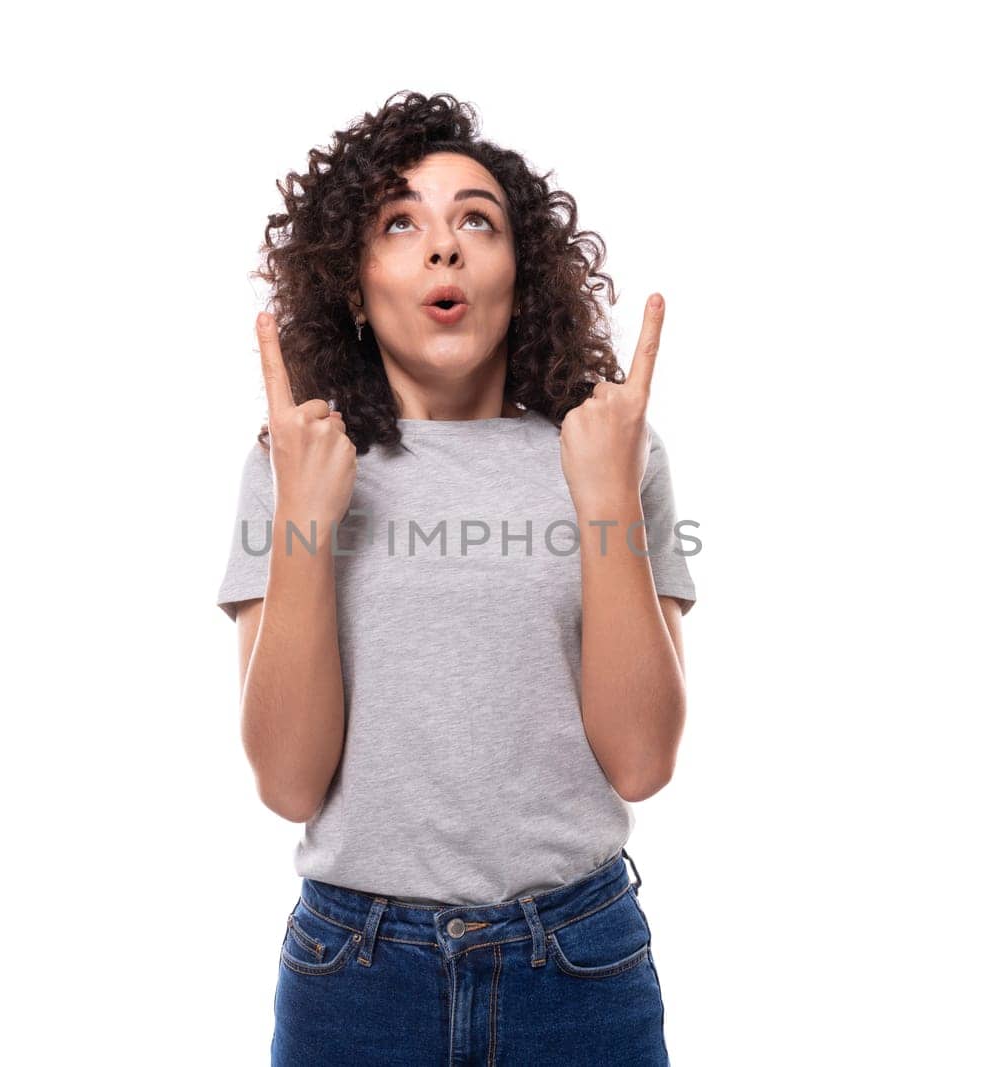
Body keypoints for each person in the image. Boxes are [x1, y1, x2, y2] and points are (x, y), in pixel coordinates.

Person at [216, 91, 697, 1066]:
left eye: (476, 219)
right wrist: (307, 519)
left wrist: (604, 499)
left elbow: (642, 759)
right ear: (354, 285)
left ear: (521, 275)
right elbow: (287, 777)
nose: (445, 246)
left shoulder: (611, 452)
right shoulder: (294, 462)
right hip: (355, 972)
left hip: (576, 964)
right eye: (402, 221)